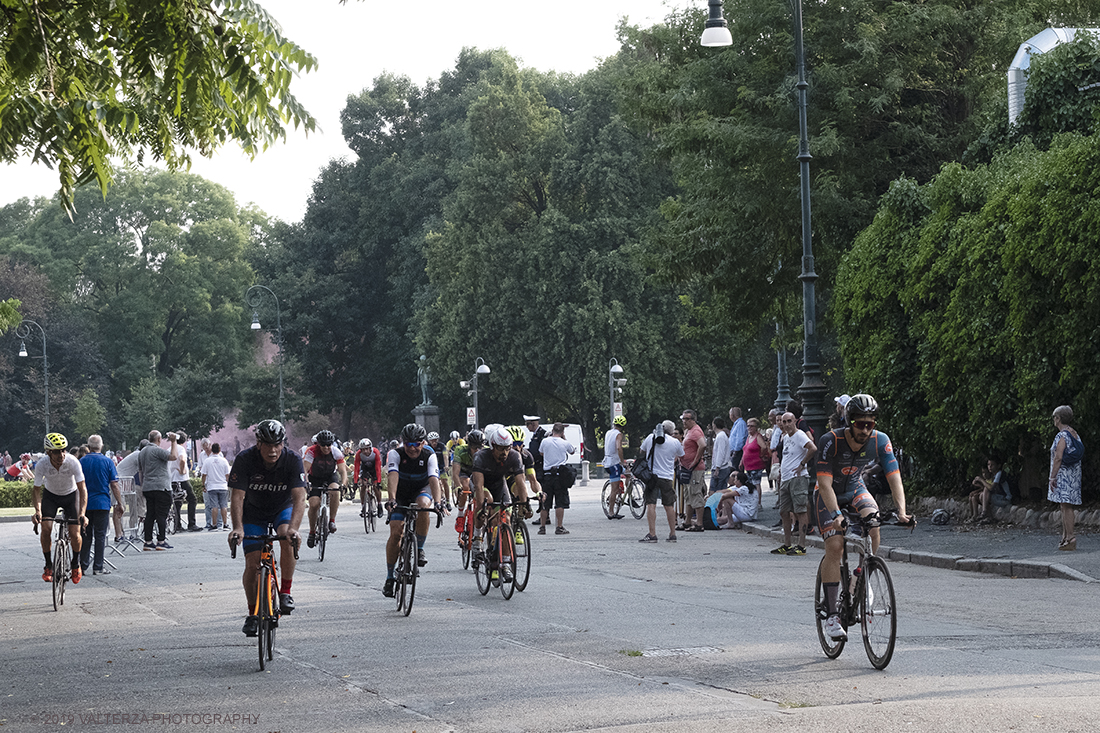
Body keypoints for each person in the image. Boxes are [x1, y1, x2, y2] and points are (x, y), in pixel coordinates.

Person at [814, 394, 911, 641]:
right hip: (829, 493)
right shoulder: (831, 441)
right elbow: (824, 485)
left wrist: (902, 511)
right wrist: (836, 514)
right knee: (835, 544)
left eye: (870, 424)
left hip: (856, 489)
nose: (866, 430)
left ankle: (859, 577)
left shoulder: (881, 440)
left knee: (874, 526)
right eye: (860, 424)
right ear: (849, 421)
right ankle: (833, 615)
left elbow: (894, 476)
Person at [228, 420, 307, 636]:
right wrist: (237, 528)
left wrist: (294, 529)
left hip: (282, 508)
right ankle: (253, 613)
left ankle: (285, 592)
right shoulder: (245, 459)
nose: (273, 451)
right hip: (253, 511)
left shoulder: (292, 459)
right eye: (268, 445)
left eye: (277, 445)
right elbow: (237, 497)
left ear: (283, 444)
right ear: (258, 443)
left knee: (285, 536)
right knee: (253, 564)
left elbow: (300, 498)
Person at [382, 423, 442, 598]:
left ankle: (420, 548)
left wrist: (437, 502)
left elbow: (433, 478)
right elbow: (392, 475)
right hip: (401, 491)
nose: (413, 448)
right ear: (403, 442)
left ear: (423, 443)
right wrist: (392, 499)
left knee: (424, 505)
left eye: (417, 444)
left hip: (421, 489)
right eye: (409, 444)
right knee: (395, 533)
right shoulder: (395, 453)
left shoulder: (429, 454)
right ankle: (390, 577)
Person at [471, 426, 527, 582]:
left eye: (507, 449)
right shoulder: (481, 457)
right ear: (492, 446)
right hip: (481, 484)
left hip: (498, 484)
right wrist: (482, 508)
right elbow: (480, 487)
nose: (504, 453)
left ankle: (506, 563)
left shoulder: (514, 456)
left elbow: (521, 482)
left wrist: (525, 504)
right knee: (485, 503)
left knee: (505, 520)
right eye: (501, 449)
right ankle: (477, 540)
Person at [32, 433, 87, 584]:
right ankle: (48, 565)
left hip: (71, 495)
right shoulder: (43, 464)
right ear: (48, 452)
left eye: (63, 450)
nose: (61, 454)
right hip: (51, 496)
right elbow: (36, 490)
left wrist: (82, 513)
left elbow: (83, 489)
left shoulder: (73, 461)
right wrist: (38, 510)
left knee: (75, 534)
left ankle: (75, 563)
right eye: (56, 451)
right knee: (46, 528)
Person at [770, 412, 816, 556]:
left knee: (800, 510)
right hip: (786, 478)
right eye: (784, 422)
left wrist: (802, 464)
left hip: (798, 478)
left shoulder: (800, 434)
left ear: (795, 421)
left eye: (789, 421)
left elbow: (812, 448)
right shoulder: (785, 437)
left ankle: (801, 545)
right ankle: (787, 543)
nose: (787, 424)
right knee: (784, 511)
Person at [78, 435, 123, 575]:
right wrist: (119, 503)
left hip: (85, 504)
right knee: (100, 535)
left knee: (85, 535)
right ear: (101, 446)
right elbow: (114, 485)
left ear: (88, 446)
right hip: (102, 503)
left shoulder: (81, 462)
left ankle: (82, 566)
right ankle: (98, 566)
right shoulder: (108, 462)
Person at [638, 420, 684, 543]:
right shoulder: (675, 442)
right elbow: (681, 454)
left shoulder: (650, 437)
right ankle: (672, 534)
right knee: (669, 506)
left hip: (652, 476)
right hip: (668, 477)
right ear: (672, 431)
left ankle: (652, 534)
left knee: (651, 504)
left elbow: (642, 451)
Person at [138, 431, 183, 550]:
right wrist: (174, 441)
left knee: (150, 514)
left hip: (148, 486)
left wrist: (143, 486)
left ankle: (147, 541)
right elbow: (173, 456)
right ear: (158, 439)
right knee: (162, 514)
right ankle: (161, 541)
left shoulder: (142, 452)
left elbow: (141, 471)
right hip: (161, 487)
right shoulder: (156, 450)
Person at [303, 429, 348, 547]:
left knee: (335, 490)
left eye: (329, 444)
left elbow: (343, 472)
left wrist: (343, 484)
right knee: (313, 504)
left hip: (330, 476)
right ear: (318, 444)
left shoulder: (336, 452)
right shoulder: (311, 451)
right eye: (323, 445)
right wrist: (306, 483)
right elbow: (305, 470)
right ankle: (312, 531)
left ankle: (332, 521)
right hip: (315, 478)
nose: (326, 447)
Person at [1049, 405, 1083, 551]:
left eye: (1054, 417)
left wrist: (1052, 477)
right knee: (1064, 505)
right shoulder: (1074, 433)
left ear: (1058, 418)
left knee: (1066, 505)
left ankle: (1070, 537)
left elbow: (1058, 457)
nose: (1053, 420)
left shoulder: (1061, 435)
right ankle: (1065, 537)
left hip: (1064, 475)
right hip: (1074, 475)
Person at [537, 422, 576, 535]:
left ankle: (542, 527)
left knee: (545, 502)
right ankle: (559, 527)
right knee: (560, 502)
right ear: (562, 432)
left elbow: (541, 452)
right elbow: (572, 451)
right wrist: (564, 438)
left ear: (553, 430)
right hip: (560, 476)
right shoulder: (564, 443)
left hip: (547, 475)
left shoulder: (545, 441)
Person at [679, 409, 708, 531]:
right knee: (688, 495)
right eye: (683, 418)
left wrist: (695, 460)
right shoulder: (689, 431)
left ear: (693, 420)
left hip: (695, 469)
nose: (684, 421)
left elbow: (703, 445)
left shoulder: (696, 431)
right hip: (686, 468)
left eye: (687, 419)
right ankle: (687, 521)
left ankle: (699, 524)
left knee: (696, 494)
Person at [169, 430, 201, 532]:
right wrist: (182, 470)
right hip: (181, 479)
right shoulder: (181, 449)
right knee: (192, 499)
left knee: (177, 502)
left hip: (172, 478)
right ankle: (192, 523)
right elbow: (182, 459)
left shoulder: (170, 448)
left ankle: (177, 525)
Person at [967, 453, 1012, 524]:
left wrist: (981, 480)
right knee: (979, 495)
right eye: (988, 465)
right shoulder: (994, 475)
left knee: (984, 492)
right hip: (998, 497)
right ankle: (981, 516)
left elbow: (990, 488)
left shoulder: (999, 474)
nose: (990, 467)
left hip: (1004, 499)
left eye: (992, 465)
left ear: (999, 466)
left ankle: (985, 513)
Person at [200, 443, 232, 530]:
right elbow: (228, 474)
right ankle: (225, 524)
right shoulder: (224, 461)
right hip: (222, 486)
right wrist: (228, 483)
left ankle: (214, 525)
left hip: (212, 486)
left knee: (214, 506)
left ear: (211, 450)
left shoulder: (207, 461)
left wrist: (203, 485)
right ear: (220, 450)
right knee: (224, 506)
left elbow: (203, 474)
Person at [451, 429, 484, 511]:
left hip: (478, 472)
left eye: (479, 447)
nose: (477, 450)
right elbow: (455, 473)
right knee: (465, 487)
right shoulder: (460, 450)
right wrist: (458, 486)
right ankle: (461, 514)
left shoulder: (486, 451)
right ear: (469, 445)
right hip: (464, 471)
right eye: (474, 447)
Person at [603, 415, 628, 519]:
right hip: (614, 464)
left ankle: (627, 494)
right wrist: (622, 461)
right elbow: (619, 447)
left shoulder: (608, 432)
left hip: (607, 462)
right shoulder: (619, 434)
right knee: (614, 489)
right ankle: (611, 512)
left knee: (628, 473)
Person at [353, 438, 384, 519]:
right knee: (363, 486)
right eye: (363, 450)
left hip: (374, 468)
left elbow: (378, 468)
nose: (366, 451)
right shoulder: (358, 454)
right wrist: (355, 482)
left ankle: (379, 504)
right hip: (365, 469)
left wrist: (378, 481)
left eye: (367, 449)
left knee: (375, 487)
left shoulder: (375, 452)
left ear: (370, 448)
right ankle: (363, 506)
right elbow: (356, 468)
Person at [739, 417, 769, 492]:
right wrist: (741, 462)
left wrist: (761, 455)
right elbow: (745, 450)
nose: (749, 428)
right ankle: (753, 500)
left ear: (756, 427)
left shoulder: (758, 436)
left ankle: (758, 502)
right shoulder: (749, 437)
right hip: (748, 466)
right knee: (751, 484)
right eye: (748, 426)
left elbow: (764, 447)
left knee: (756, 484)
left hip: (756, 465)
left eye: (752, 426)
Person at [709, 417, 731, 494]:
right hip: (722, 467)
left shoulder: (720, 436)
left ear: (714, 425)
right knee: (721, 489)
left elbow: (720, 453)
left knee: (715, 491)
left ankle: (717, 506)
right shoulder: (722, 435)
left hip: (720, 468)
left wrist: (717, 467)